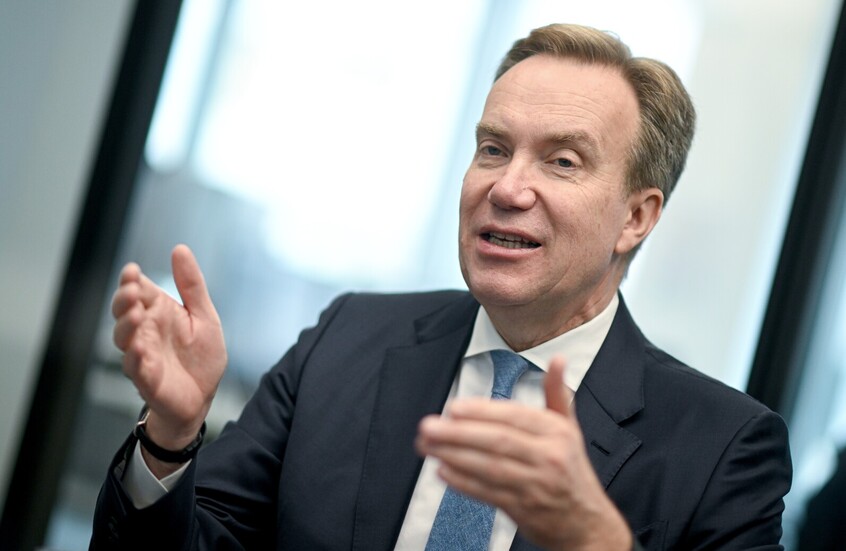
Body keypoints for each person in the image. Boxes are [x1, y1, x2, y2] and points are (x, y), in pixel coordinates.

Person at [90, 23, 792, 550]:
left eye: (562, 161)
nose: (507, 187)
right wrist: (172, 436)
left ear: (636, 217)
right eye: (493, 148)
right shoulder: (348, 339)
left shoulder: (724, 449)